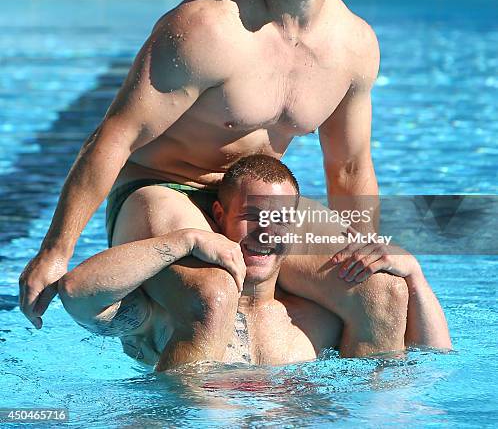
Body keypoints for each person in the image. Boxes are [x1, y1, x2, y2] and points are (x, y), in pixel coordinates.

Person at [21, 0, 398, 350]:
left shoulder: (354, 46)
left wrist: (362, 246)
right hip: (162, 189)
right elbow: (116, 135)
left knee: (381, 292)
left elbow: (348, 165)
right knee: (213, 296)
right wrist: (56, 249)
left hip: (251, 198)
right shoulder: (207, 29)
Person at [58, 156, 451, 369]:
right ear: (219, 217)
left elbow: (430, 364)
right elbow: (77, 294)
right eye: (252, 217)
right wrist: (183, 242)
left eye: (279, 219)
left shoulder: (318, 321)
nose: (266, 232)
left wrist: (415, 276)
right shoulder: (172, 313)